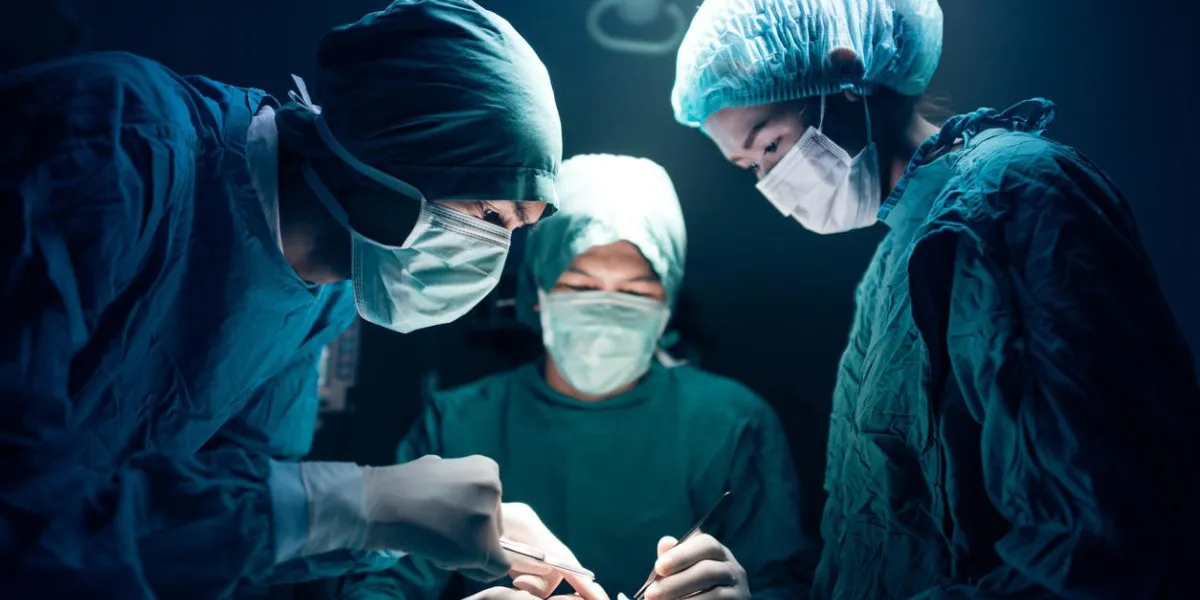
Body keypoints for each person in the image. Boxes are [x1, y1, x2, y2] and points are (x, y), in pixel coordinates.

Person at [0, 1, 602, 598]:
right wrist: (363, 505)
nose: (491, 256)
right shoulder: (114, 141)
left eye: (512, 232)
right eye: (491, 213)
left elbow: (226, 525)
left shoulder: (330, 295)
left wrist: (393, 528)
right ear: (394, 145)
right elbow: (23, 516)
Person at [670, 0, 1200, 598]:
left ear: (846, 74)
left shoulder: (1016, 198)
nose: (770, 182)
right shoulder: (894, 262)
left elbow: (1098, 542)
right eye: (750, 167)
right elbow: (881, 536)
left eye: (770, 146)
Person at [337, 154, 815, 600]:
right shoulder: (458, 422)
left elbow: (778, 579)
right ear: (538, 291)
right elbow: (379, 583)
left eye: (633, 292)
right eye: (580, 285)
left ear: (667, 304)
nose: (605, 307)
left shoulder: (733, 423)